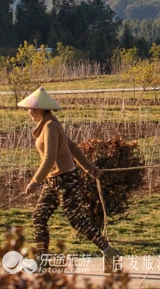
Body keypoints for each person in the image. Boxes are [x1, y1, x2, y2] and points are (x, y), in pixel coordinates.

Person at [18, 86, 122, 273]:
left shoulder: (51, 126)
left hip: (66, 180)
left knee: (77, 221)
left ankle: (109, 251)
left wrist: (34, 181)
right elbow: (72, 147)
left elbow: (50, 158)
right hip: (53, 181)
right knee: (39, 217)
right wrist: (89, 168)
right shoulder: (49, 123)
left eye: (31, 109)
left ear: (40, 109)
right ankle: (43, 260)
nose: (28, 112)